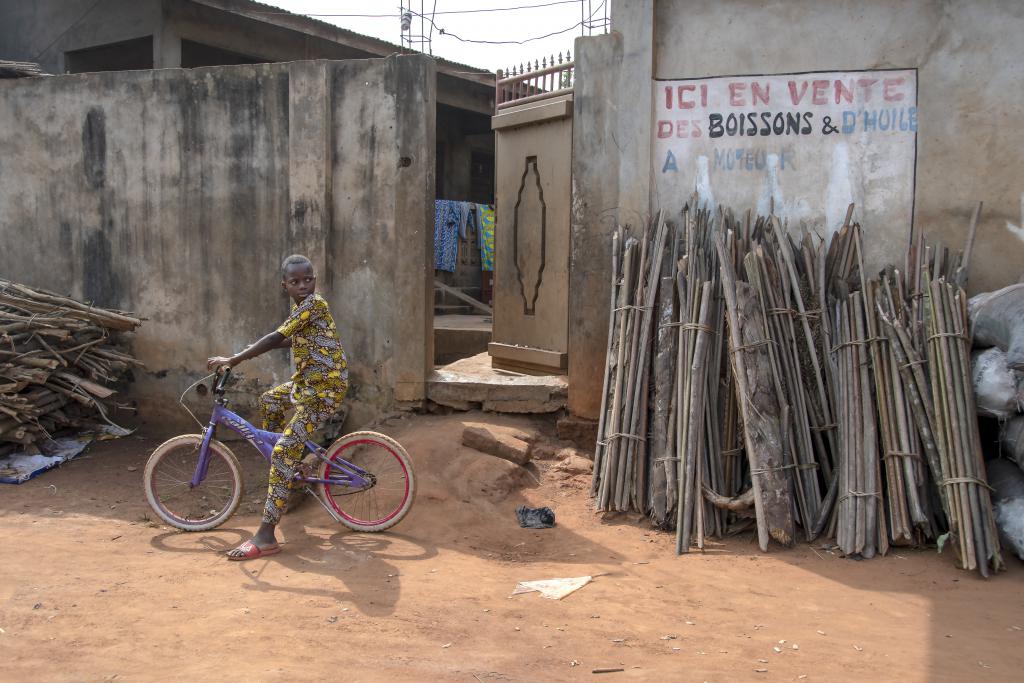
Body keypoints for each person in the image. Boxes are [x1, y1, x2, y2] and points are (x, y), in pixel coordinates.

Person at [207, 254, 348, 560]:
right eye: (295, 282)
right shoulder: (303, 311)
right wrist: (246, 351)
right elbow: (290, 340)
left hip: (322, 392)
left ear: (315, 279)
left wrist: (234, 359)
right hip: (306, 388)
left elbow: (276, 336)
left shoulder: (315, 304)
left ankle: (266, 535)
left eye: (307, 279)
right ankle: (285, 467)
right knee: (269, 400)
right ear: (284, 285)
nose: (303, 286)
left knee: (284, 450)